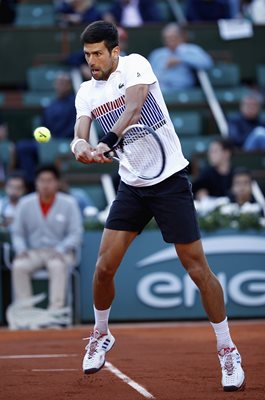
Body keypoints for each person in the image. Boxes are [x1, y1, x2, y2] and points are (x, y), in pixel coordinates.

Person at [70, 21, 245, 391]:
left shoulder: (137, 65)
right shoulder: (86, 91)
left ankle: (227, 349)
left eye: (98, 53)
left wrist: (106, 143)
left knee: (197, 269)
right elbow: (79, 131)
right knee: (103, 268)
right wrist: (80, 148)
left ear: (114, 51)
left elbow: (133, 108)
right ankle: (101, 334)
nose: (92, 61)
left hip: (169, 182)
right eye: (87, 55)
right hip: (131, 186)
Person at [11, 165, 83, 310]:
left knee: (57, 266)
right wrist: (21, 249)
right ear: (36, 182)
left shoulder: (69, 203)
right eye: (42, 180)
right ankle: (26, 312)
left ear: (57, 182)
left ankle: (55, 312)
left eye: (49, 180)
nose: (45, 184)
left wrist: (61, 249)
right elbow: (17, 233)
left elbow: (76, 233)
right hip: (33, 252)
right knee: (19, 266)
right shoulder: (25, 203)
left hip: (59, 252)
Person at [16, 72, 76, 188]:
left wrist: (56, 139)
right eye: (57, 83)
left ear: (69, 85)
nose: (59, 86)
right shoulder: (52, 104)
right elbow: (43, 125)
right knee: (22, 146)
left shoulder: (75, 102)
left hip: (64, 141)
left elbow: (75, 126)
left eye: (63, 83)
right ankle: (31, 182)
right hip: (48, 140)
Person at [148, 23, 213, 94]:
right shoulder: (157, 54)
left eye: (173, 37)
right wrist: (165, 67)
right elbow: (150, 77)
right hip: (163, 90)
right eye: (167, 38)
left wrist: (182, 60)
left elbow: (207, 63)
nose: (170, 41)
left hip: (186, 89)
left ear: (181, 37)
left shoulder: (191, 50)